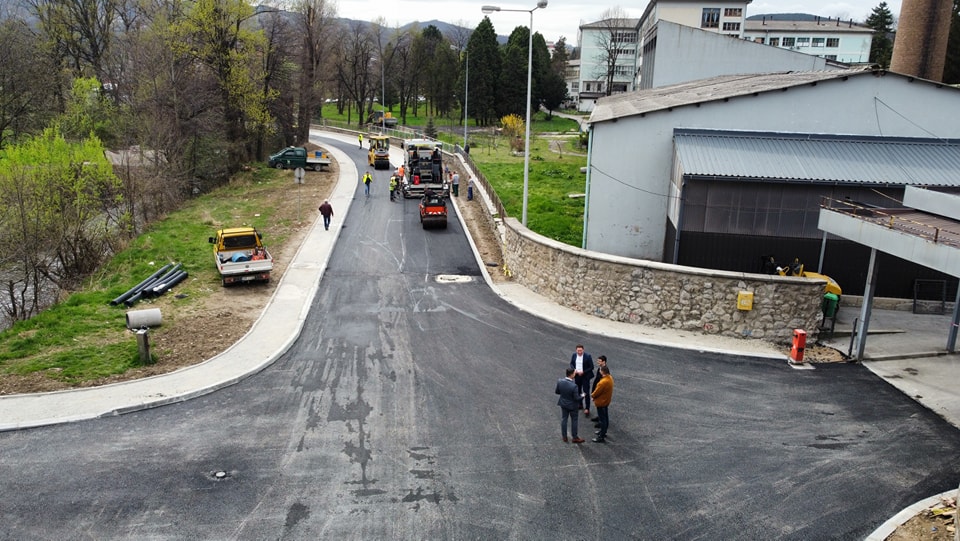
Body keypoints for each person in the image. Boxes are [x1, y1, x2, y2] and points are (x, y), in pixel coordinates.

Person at [556, 368, 584, 443]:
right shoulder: (574, 386)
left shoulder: (560, 381)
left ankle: (564, 436)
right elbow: (577, 398)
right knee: (574, 420)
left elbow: (557, 391)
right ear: (571, 374)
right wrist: (582, 396)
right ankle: (575, 437)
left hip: (563, 403)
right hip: (572, 406)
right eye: (574, 373)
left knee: (564, 419)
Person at [569, 344, 595, 417]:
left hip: (585, 376)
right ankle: (580, 404)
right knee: (578, 390)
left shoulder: (588, 356)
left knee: (586, 391)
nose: (579, 352)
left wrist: (583, 372)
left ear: (583, 350)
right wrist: (575, 370)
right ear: (576, 350)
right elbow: (571, 364)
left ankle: (587, 408)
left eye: (580, 350)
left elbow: (591, 367)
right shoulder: (574, 355)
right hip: (577, 376)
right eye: (578, 350)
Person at [591, 365, 614, 443]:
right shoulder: (610, 378)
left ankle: (601, 436)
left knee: (602, 419)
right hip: (606, 401)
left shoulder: (603, 382)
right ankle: (603, 432)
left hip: (601, 402)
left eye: (600, 370)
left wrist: (592, 396)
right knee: (605, 418)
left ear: (602, 372)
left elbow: (597, 392)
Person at [591, 355, 608, 422]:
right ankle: (599, 417)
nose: (598, 362)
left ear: (604, 362)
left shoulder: (605, 370)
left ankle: (602, 421)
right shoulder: (600, 368)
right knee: (599, 406)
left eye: (599, 361)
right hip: (597, 388)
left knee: (602, 408)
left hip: (601, 391)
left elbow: (602, 382)